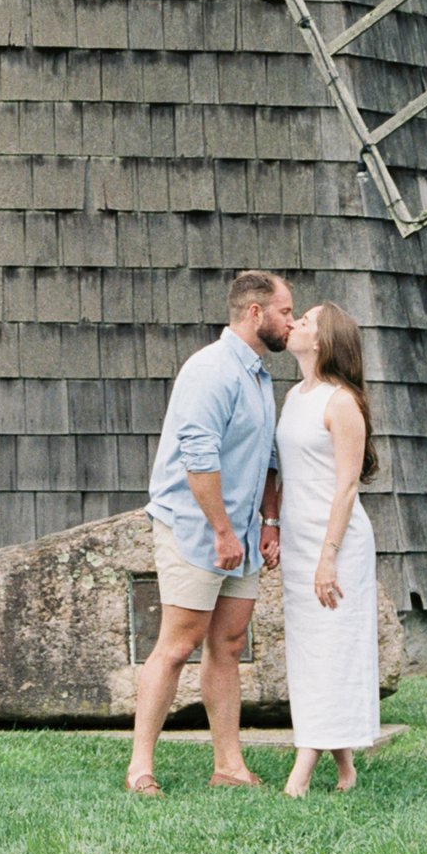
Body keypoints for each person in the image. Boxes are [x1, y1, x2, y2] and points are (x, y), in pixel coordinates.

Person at [125, 270, 295, 797]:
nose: (292, 321)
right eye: (286, 312)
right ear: (255, 313)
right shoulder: (211, 370)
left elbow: (266, 457)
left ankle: (229, 766)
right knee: (177, 647)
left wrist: (268, 522)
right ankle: (140, 769)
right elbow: (198, 460)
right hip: (197, 532)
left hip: (241, 534)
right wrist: (223, 531)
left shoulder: (260, 376)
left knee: (227, 644)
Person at [273, 299, 381, 797]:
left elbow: (346, 486)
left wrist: (328, 555)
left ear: (323, 340)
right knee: (312, 651)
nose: (295, 323)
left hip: (335, 545)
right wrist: (274, 526)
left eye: (307, 320)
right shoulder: (295, 396)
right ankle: (346, 767)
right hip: (298, 543)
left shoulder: (342, 402)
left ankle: (302, 770)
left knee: (332, 649)